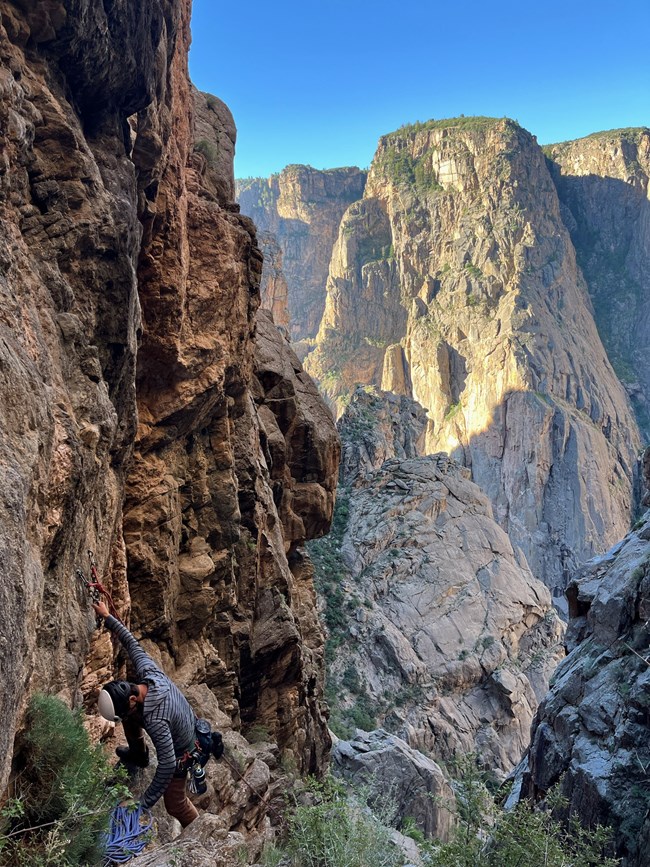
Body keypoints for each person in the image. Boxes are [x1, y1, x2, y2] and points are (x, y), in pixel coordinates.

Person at [93, 601, 199, 827]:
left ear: (132, 698)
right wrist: (107, 617)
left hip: (186, 748)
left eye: (123, 710)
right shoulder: (148, 673)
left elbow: (168, 763)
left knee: (175, 804)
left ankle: (203, 833)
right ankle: (138, 755)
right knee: (130, 716)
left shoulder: (156, 719)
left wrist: (142, 804)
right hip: (184, 719)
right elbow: (131, 644)